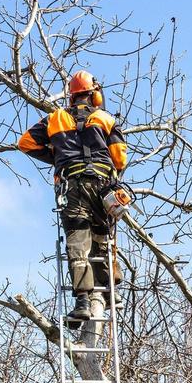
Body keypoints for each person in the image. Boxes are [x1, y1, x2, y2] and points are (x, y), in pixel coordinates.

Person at [17, 70, 131, 325]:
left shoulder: (54, 118)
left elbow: (25, 143)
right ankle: (112, 291)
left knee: (78, 244)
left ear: (72, 96)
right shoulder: (105, 119)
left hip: (72, 187)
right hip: (103, 187)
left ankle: (82, 302)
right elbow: (120, 158)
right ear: (94, 94)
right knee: (103, 238)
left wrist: (58, 157)